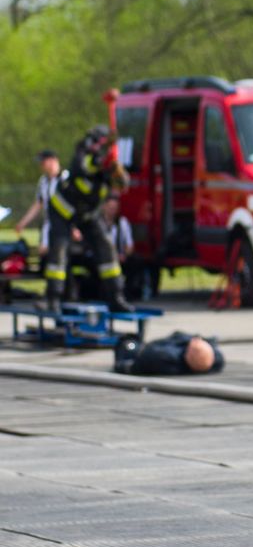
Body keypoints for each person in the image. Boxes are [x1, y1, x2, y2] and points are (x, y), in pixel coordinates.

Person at [43, 127, 133, 315]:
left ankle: (116, 297)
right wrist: (101, 161)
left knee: (106, 247)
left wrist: (117, 172)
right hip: (63, 211)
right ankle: (53, 299)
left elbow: (121, 183)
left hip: (88, 215)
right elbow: (84, 166)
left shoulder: (108, 169)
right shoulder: (82, 156)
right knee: (59, 251)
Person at [13, 149, 66, 255]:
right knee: (44, 254)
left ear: (53, 160)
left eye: (43, 162)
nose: (41, 165)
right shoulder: (43, 181)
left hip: (64, 225)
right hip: (49, 225)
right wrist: (23, 222)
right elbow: (38, 204)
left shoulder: (66, 178)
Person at [113, 331, 223, 375]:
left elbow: (143, 359)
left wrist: (123, 367)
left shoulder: (164, 357)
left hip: (138, 354)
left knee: (127, 344)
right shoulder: (216, 359)